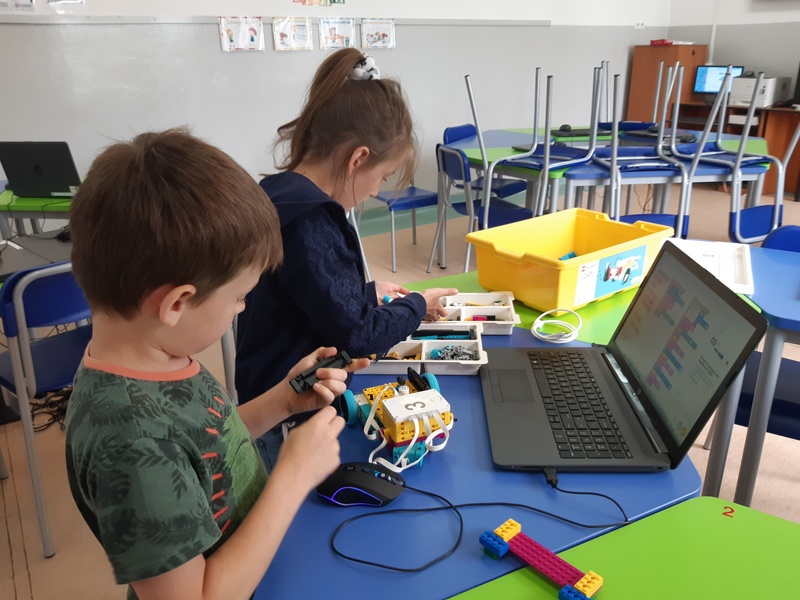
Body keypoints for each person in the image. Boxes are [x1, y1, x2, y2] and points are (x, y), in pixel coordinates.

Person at [65, 128, 370, 600]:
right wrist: (291, 477)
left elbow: (207, 445)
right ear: (177, 303)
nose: (241, 308)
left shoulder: (160, 353)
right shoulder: (131, 445)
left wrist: (282, 401)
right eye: (239, 298)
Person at [235, 49, 457, 426]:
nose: (374, 191)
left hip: (267, 389)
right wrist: (418, 305)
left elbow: (307, 296)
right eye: (381, 177)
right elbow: (359, 336)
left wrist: (364, 294)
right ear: (357, 159)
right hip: (290, 411)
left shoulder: (279, 190)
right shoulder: (311, 221)